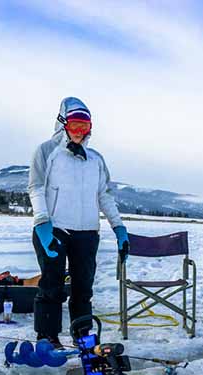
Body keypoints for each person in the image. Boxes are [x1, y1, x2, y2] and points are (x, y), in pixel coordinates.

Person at [27, 97, 129, 347]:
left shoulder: (95, 160)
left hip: (86, 234)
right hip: (54, 230)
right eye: (75, 126)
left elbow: (104, 195)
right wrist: (42, 223)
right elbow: (36, 187)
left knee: (83, 289)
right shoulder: (46, 152)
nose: (80, 133)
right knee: (52, 286)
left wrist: (119, 228)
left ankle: (83, 338)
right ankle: (47, 339)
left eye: (85, 127)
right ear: (62, 124)